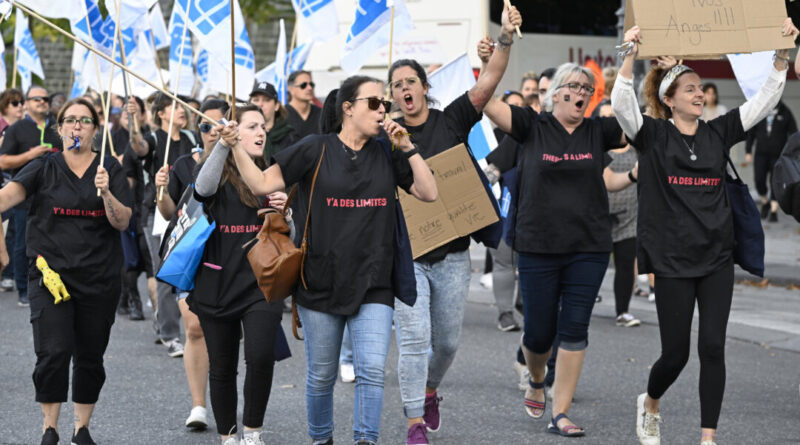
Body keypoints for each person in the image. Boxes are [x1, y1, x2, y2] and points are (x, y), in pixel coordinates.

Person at [613, 20, 797, 445]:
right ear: (670, 99)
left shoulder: (719, 131)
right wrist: (629, 55)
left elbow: (765, 100)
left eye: (701, 88)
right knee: (675, 355)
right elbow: (623, 105)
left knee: (713, 347)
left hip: (716, 258)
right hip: (673, 261)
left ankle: (708, 437)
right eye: (691, 88)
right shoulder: (654, 135)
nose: (700, 93)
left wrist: (782, 54)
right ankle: (651, 400)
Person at [231, 75, 437, 445]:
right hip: (320, 281)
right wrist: (234, 149)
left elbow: (429, 192)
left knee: (372, 371)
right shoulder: (314, 148)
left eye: (384, 104)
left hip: (375, 283)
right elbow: (262, 184)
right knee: (322, 376)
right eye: (374, 103)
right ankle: (321, 440)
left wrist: (407, 146)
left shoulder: (388, 151)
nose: (383, 110)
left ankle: (365, 440)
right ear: (348, 108)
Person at [388, 5, 521, 444]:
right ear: (392, 97)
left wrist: (503, 38)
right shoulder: (384, 139)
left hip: (452, 256)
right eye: (397, 86)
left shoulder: (453, 120)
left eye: (411, 81)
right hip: (408, 257)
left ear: (425, 88)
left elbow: (489, 81)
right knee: (412, 340)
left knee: (444, 344)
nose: (405, 89)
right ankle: (412, 423)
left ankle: (429, 391)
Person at [483, 57, 629, 436]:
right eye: (575, 87)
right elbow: (484, 99)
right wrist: (497, 54)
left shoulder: (598, 131)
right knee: (538, 334)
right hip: (538, 246)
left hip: (589, 247)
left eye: (588, 89)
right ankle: (536, 377)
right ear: (554, 93)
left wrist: (631, 63)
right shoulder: (532, 126)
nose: (582, 94)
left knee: (575, 327)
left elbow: (636, 125)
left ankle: (560, 412)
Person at [0, 97, 132, 445]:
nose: (77, 126)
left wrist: (105, 194)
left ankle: (81, 428)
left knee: (90, 355)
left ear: (95, 129)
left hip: (99, 278)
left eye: (85, 121)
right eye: (70, 120)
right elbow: (6, 198)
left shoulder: (110, 170)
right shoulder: (45, 166)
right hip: (49, 276)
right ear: (59, 129)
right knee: (53, 351)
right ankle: (50, 428)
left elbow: (122, 222)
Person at [183, 104, 287, 445]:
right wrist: (225, 144)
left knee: (260, 356)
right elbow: (202, 187)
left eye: (263, 127)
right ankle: (228, 437)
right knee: (222, 367)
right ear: (235, 130)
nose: (260, 133)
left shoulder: (271, 173)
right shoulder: (217, 171)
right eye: (251, 126)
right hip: (218, 281)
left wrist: (286, 208)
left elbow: (293, 229)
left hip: (261, 282)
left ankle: (252, 432)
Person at [154, 98, 229, 431]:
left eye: (219, 123)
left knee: (231, 334)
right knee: (195, 328)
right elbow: (170, 213)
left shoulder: (241, 159)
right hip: (194, 256)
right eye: (205, 125)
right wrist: (161, 192)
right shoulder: (184, 163)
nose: (213, 131)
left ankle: (229, 398)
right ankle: (199, 405)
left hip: (233, 253)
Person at [128, 94, 199, 357]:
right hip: (157, 213)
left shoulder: (193, 139)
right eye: (175, 106)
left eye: (183, 106)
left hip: (191, 212)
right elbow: (138, 147)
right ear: (161, 113)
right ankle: (170, 334)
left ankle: (194, 327)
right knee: (167, 273)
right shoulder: (156, 139)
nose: (182, 110)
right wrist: (134, 119)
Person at [0, 86, 62, 307]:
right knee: (22, 244)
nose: (43, 102)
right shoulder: (17, 129)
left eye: (46, 99)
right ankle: (23, 289)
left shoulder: (58, 128)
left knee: (52, 244)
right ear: (26, 103)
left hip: (55, 198)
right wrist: (30, 155)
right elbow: (3, 161)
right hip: (23, 196)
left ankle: (48, 284)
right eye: (37, 99)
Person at [594, 100, 641, 328]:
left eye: (614, 116)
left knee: (625, 264)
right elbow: (606, 180)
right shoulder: (595, 148)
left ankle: (623, 311)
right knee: (594, 264)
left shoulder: (637, 147)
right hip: (598, 216)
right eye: (604, 117)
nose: (610, 121)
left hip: (631, 216)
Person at [745, 100, 797, 222]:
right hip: (761, 154)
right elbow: (751, 133)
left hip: (778, 155)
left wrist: (792, 153)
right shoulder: (761, 111)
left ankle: (773, 210)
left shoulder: (785, 112)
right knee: (759, 179)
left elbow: (793, 133)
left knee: (775, 181)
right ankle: (765, 202)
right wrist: (748, 151)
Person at [0, 88, 26, 292]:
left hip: (16, 182)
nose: (20, 106)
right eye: (14, 103)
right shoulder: (3, 127)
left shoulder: (23, 126)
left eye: (21, 102)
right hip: (5, 184)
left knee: (15, 230)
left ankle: (8, 274)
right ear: (5, 106)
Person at [249, 82, 299, 160]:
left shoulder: (291, 137)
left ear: (276, 106)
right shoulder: (241, 135)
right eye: (256, 100)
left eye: (266, 100)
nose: (260, 104)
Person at [285, 70, 322, 138]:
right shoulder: (282, 115)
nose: (309, 88)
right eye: (303, 85)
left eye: (311, 84)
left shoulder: (321, 114)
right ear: (291, 89)